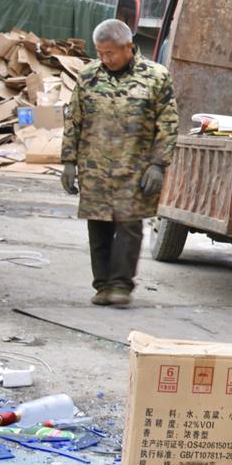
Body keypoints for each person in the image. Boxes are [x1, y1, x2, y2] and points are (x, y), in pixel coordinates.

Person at [61, 18, 178, 307]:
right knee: (98, 226)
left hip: (134, 168)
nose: (104, 58)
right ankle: (102, 285)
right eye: (100, 52)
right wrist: (69, 162)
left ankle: (121, 285)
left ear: (128, 47)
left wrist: (158, 164)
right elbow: (73, 120)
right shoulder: (88, 77)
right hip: (95, 168)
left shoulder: (156, 77)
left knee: (128, 226)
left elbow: (168, 123)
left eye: (110, 53)